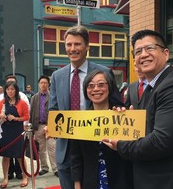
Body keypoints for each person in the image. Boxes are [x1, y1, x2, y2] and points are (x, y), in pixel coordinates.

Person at [103, 29, 173, 189]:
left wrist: (121, 145)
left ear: (165, 53)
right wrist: (127, 123)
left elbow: (161, 141)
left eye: (149, 48)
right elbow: (146, 129)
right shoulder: (151, 88)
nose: (143, 55)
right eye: (137, 51)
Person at [48, 25, 123, 189]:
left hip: (95, 150)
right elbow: (53, 110)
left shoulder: (103, 72)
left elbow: (117, 103)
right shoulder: (57, 76)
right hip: (66, 150)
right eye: (69, 45)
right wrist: (52, 126)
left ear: (87, 46)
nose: (72, 49)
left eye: (77, 44)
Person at [70, 70, 133, 189]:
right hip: (91, 181)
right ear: (86, 90)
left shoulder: (122, 115)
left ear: (110, 88)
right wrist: (77, 184)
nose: (96, 89)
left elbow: (132, 149)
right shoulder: (80, 120)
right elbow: (75, 156)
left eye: (101, 84)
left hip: (120, 181)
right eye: (91, 85)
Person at [0, 75, 30, 181]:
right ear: (5, 91)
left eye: (12, 89)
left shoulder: (22, 103)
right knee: (5, 156)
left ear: (16, 90)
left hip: (17, 131)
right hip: (5, 131)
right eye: (8, 89)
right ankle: (5, 178)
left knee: (20, 155)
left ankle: (25, 177)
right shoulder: (2, 103)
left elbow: (26, 116)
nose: (10, 91)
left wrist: (16, 118)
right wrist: (1, 116)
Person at [29, 75, 58, 176]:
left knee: (52, 147)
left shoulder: (53, 96)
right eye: (41, 83)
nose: (43, 84)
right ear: (38, 84)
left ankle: (55, 168)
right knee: (41, 149)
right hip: (38, 126)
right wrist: (31, 128)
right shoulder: (34, 98)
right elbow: (31, 113)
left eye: (45, 83)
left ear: (48, 85)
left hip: (50, 126)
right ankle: (44, 167)